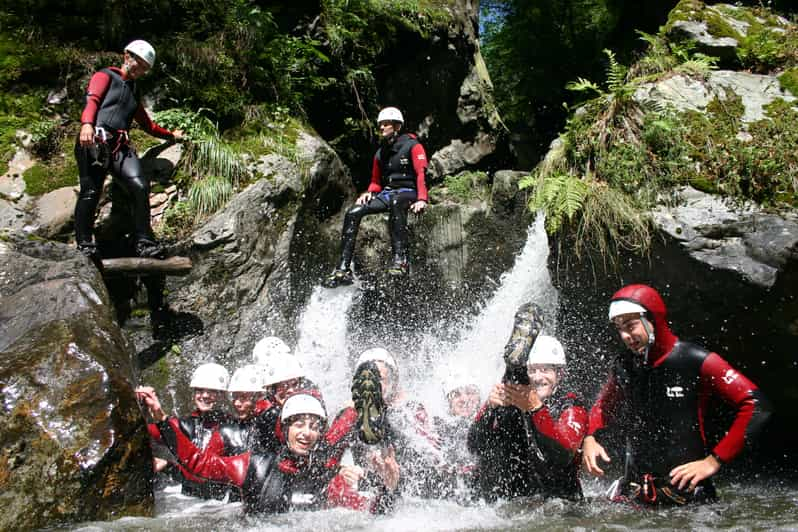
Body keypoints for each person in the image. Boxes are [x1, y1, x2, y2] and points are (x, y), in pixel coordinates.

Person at [582, 284, 772, 506]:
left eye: (631, 326)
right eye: (619, 328)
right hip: (634, 494)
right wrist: (590, 437)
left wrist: (714, 461)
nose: (625, 335)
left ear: (654, 320)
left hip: (687, 497)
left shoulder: (694, 360)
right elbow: (603, 407)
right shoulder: (625, 364)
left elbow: (756, 404)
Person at [155, 392, 400, 514]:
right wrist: (164, 421)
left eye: (314, 427)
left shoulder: (326, 474)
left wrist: (388, 489)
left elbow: (368, 511)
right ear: (284, 430)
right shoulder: (253, 465)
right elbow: (201, 463)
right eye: (299, 425)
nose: (307, 433)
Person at [74, 39, 183, 261]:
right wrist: (87, 124)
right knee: (91, 191)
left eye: (145, 68)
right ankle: (84, 244)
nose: (140, 71)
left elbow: (148, 125)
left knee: (140, 186)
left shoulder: (134, 91)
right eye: (139, 64)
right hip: (94, 140)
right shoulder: (105, 75)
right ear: (127, 56)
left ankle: (144, 242)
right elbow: (92, 100)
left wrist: (171, 135)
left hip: (119, 147)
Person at [468, 335, 587, 501]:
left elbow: (562, 455)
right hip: (513, 503)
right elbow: (474, 446)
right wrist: (489, 408)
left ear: (559, 374)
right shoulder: (510, 402)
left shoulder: (571, 405)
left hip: (559, 505)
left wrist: (535, 408)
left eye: (545, 370)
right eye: (532, 370)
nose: (538, 377)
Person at [323, 106, 429, 287]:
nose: (381, 128)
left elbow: (421, 174)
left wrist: (421, 199)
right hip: (388, 193)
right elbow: (375, 182)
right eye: (380, 125)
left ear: (396, 126)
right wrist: (369, 193)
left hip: (408, 192)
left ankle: (400, 260)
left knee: (396, 202)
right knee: (353, 212)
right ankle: (343, 269)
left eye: (385, 124)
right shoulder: (381, 153)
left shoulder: (414, 146)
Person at [136, 362, 231, 500]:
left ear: (222, 395)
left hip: (221, 504)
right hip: (192, 502)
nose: (204, 395)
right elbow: (146, 431)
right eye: (199, 390)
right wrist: (141, 402)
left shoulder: (232, 427)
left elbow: (204, 473)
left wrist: (169, 467)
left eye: (211, 391)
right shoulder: (185, 424)